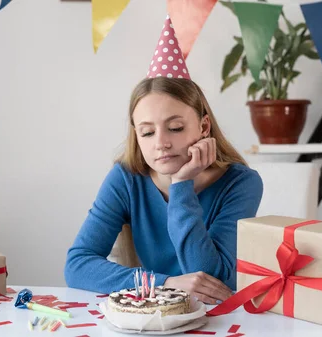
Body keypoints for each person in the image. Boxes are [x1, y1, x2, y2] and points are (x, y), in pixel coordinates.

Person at [64, 16, 263, 305]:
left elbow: (212, 280)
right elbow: (77, 265)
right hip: (150, 316)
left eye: (176, 128)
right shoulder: (126, 178)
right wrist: (165, 283)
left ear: (204, 127)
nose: (161, 143)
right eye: (147, 132)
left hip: (217, 319)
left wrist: (181, 183)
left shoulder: (240, 183)